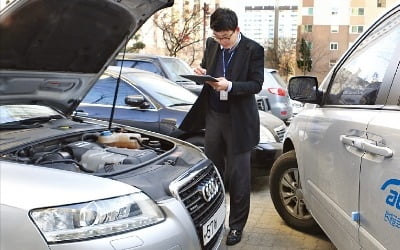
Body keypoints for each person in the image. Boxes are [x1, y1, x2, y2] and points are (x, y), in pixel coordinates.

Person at [179, 7, 264, 246]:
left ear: (237, 30)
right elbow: (209, 68)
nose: (222, 42)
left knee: (239, 178)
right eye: (218, 38)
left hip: (239, 122)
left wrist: (229, 86)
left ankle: (236, 227)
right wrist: (203, 73)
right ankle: (212, 220)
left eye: (226, 37)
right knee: (212, 176)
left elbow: (256, 84)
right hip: (214, 117)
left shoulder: (253, 49)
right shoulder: (212, 44)